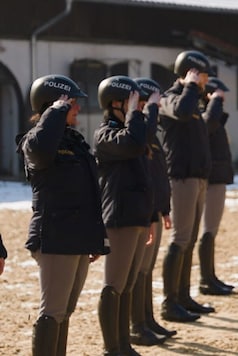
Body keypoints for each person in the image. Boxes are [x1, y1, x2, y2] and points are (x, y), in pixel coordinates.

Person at [17, 74, 109, 355]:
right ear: (52, 105)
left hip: (78, 237)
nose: (77, 108)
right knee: (53, 312)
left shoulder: (75, 142)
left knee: (65, 312)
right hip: (55, 237)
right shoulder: (35, 141)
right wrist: (56, 111)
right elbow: (41, 150)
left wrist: (94, 238)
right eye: (71, 103)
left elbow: (91, 192)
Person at [94, 75, 160, 355]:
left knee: (127, 285)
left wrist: (149, 218)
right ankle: (112, 348)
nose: (137, 107)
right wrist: (136, 113)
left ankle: (123, 344)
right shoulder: (106, 134)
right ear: (115, 103)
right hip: (119, 217)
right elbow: (133, 143)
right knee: (114, 284)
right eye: (131, 101)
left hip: (137, 216)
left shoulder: (132, 131)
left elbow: (144, 139)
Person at [158, 49, 214, 322]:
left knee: (190, 239)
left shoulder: (194, 100)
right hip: (181, 178)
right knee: (180, 239)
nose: (206, 79)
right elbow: (180, 112)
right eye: (202, 74)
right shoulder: (170, 98)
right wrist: (190, 86)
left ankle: (183, 296)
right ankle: (169, 303)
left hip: (198, 177)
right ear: (191, 73)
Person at [129, 77, 177, 345]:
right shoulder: (138, 131)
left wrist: (164, 208)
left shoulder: (151, 135)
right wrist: (149, 111)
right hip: (142, 212)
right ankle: (137, 324)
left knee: (147, 269)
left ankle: (146, 319)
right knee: (139, 270)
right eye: (152, 103)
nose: (156, 107)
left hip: (154, 210)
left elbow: (158, 176)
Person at [198, 77, 235, 296]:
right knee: (208, 230)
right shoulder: (205, 113)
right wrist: (215, 103)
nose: (223, 99)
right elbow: (208, 125)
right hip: (212, 178)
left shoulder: (212, 114)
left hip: (217, 177)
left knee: (211, 231)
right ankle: (206, 279)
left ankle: (210, 276)